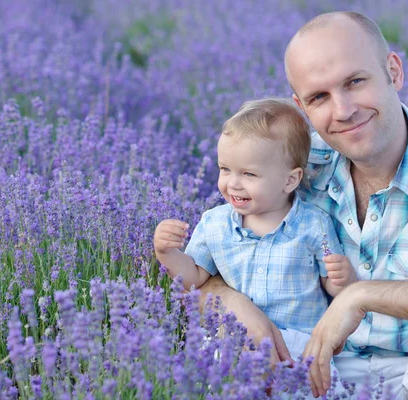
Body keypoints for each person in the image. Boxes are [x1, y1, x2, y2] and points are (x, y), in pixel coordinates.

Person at [199, 11, 408, 399]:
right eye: (320, 97)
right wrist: (229, 300)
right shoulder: (292, 168)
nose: (344, 109)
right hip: (311, 367)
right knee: (233, 334)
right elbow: (206, 261)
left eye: (355, 82)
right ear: (303, 108)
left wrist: (362, 295)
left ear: (393, 72)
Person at [153, 98, 357, 395]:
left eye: (249, 174)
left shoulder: (314, 225)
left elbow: (333, 288)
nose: (233, 184)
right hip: (233, 340)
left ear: (290, 180)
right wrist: (167, 253)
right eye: (226, 169)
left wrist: (343, 279)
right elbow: (195, 277)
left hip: (299, 349)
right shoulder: (214, 224)